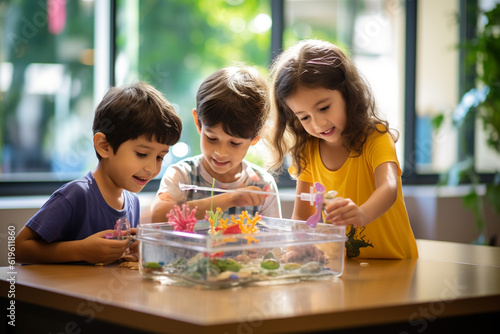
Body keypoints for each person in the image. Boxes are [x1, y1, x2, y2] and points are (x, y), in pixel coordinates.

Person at [265, 39, 418, 259]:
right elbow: (302, 215)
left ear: (348, 94)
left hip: (394, 263)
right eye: (305, 117)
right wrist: (295, 249)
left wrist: (362, 213)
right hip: (342, 268)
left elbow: (389, 188)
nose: (318, 124)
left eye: (324, 107)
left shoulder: (375, 136)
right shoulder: (307, 150)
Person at [15, 82, 183, 264]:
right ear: (104, 146)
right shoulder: (76, 195)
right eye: (141, 154)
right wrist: (82, 250)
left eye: (159, 157)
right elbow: (18, 248)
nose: (152, 168)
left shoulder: (132, 202)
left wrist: (131, 250)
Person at [150, 65, 281, 222]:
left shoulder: (263, 185)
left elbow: (273, 242)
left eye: (234, 143)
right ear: (198, 122)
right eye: (212, 138)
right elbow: (158, 217)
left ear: (255, 138)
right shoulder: (182, 175)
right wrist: (230, 199)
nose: (221, 152)